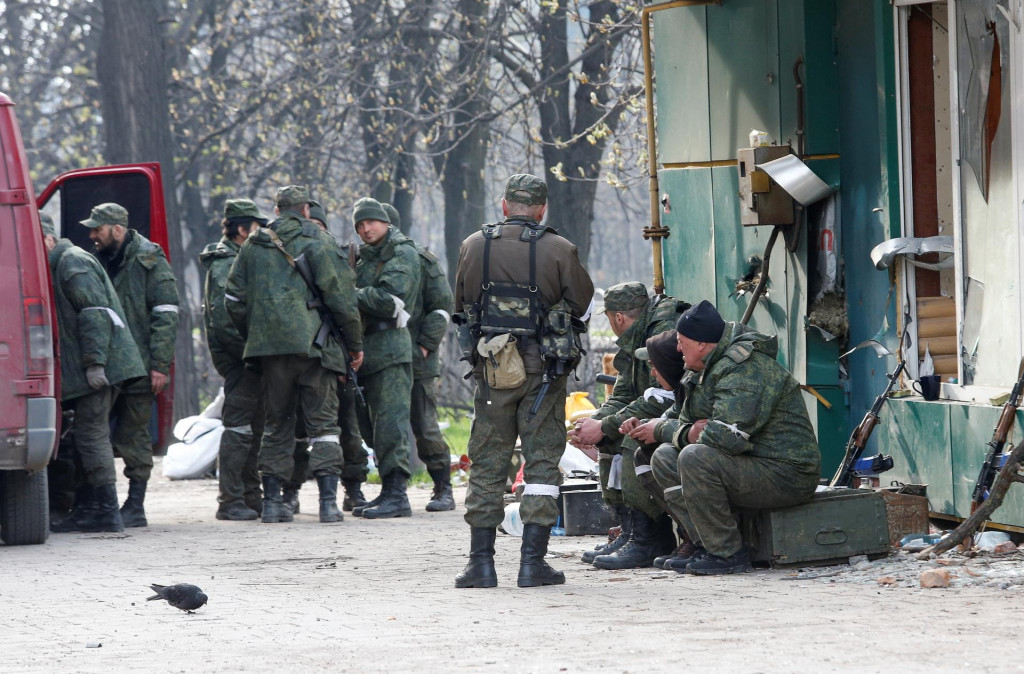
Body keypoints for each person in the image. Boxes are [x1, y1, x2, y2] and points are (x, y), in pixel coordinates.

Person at [453, 173, 594, 588]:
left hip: (493, 371)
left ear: (504, 206)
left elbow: (460, 303)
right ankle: (533, 565)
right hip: (543, 375)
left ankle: (480, 565)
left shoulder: (472, 245)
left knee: (488, 463)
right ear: (541, 209)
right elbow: (581, 305)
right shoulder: (560, 248)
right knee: (541, 466)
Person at [650, 300, 821, 575]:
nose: (678, 348)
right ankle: (704, 544)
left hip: (786, 473)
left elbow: (722, 438)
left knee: (695, 457)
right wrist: (687, 432)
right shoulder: (706, 368)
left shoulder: (746, 369)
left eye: (682, 342)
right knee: (664, 457)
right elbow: (686, 422)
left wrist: (671, 431)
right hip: (750, 464)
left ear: (702, 344)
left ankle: (727, 553)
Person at [225, 185, 363, 524]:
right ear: (305, 210)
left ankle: (273, 504)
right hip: (316, 347)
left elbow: (233, 300)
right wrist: (355, 344)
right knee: (324, 426)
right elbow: (342, 298)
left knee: (277, 424)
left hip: (270, 352)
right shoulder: (318, 239)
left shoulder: (254, 244)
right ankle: (328, 506)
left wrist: (257, 334)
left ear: (276, 211)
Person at [567, 282, 685, 569]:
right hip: (659, 411)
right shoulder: (638, 335)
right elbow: (624, 392)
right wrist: (596, 423)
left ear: (617, 317)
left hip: (677, 414)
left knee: (630, 438)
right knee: (607, 437)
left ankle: (649, 538)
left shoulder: (659, 331)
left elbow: (663, 397)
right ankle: (631, 529)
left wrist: (606, 425)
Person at [42, 213, 147, 533]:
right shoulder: (65, 262)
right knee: (87, 435)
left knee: (92, 436)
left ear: (46, 238)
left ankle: (105, 511)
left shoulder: (72, 262)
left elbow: (95, 315)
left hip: (101, 368)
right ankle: (91, 507)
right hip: (96, 366)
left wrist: (95, 363)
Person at [84, 202, 179, 528]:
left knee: (134, 434)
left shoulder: (150, 259)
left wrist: (160, 365)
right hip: (105, 365)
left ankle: (135, 505)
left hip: (139, 365)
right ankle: (94, 503)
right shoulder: (98, 258)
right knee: (91, 432)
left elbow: (166, 314)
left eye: (98, 228)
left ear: (118, 230)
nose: (92, 234)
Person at [350, 197, 421, 519]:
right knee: (373, 428)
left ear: (385, 222)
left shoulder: (401, 251)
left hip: (391, 349)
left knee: (391, 424)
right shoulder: (364, 258)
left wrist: (347, 293)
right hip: (367, 350)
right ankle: (386, 491)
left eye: (370, 222)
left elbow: (391, 300)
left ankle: (397, 494)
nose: (366, 229)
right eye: (360, 225)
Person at [382, 202, 456, 512]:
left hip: (416, 356)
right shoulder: (367, 259)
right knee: (385, 423)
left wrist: (424, 346)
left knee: (424, 424)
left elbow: (442, 307)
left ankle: (443, 486)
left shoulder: (420, 259)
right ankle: (389, 489)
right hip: (383, 357)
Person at [199, 199, 269, 520]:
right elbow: (226, 322)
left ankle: (250, 496)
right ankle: (230, 500)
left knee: (253, 428)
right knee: (239, 428)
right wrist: (251, 354)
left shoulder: (239, 259)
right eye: (256, 226)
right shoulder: (226, 265)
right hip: (242, 360)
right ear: (242, 229)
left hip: (251, 358)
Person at [304, 199, 369, 512]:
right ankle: (292, 490)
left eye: (319, 227)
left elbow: (348, 307)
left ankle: (353, 487)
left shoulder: (340, 256)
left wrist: (350, 350)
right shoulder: (291, 257)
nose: (313, 232)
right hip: (308, 354)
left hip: (337, 351)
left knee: (348, 424)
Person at [618, 330, 697, 569]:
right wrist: (643, 428)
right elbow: (670, 418)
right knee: (645, 454)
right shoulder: (684, 389)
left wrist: (659, 429)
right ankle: (689, 535)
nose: (652, 373)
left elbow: (703, 430)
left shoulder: (696, 386)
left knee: (667, 456)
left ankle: (703, 540)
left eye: (655, 366)